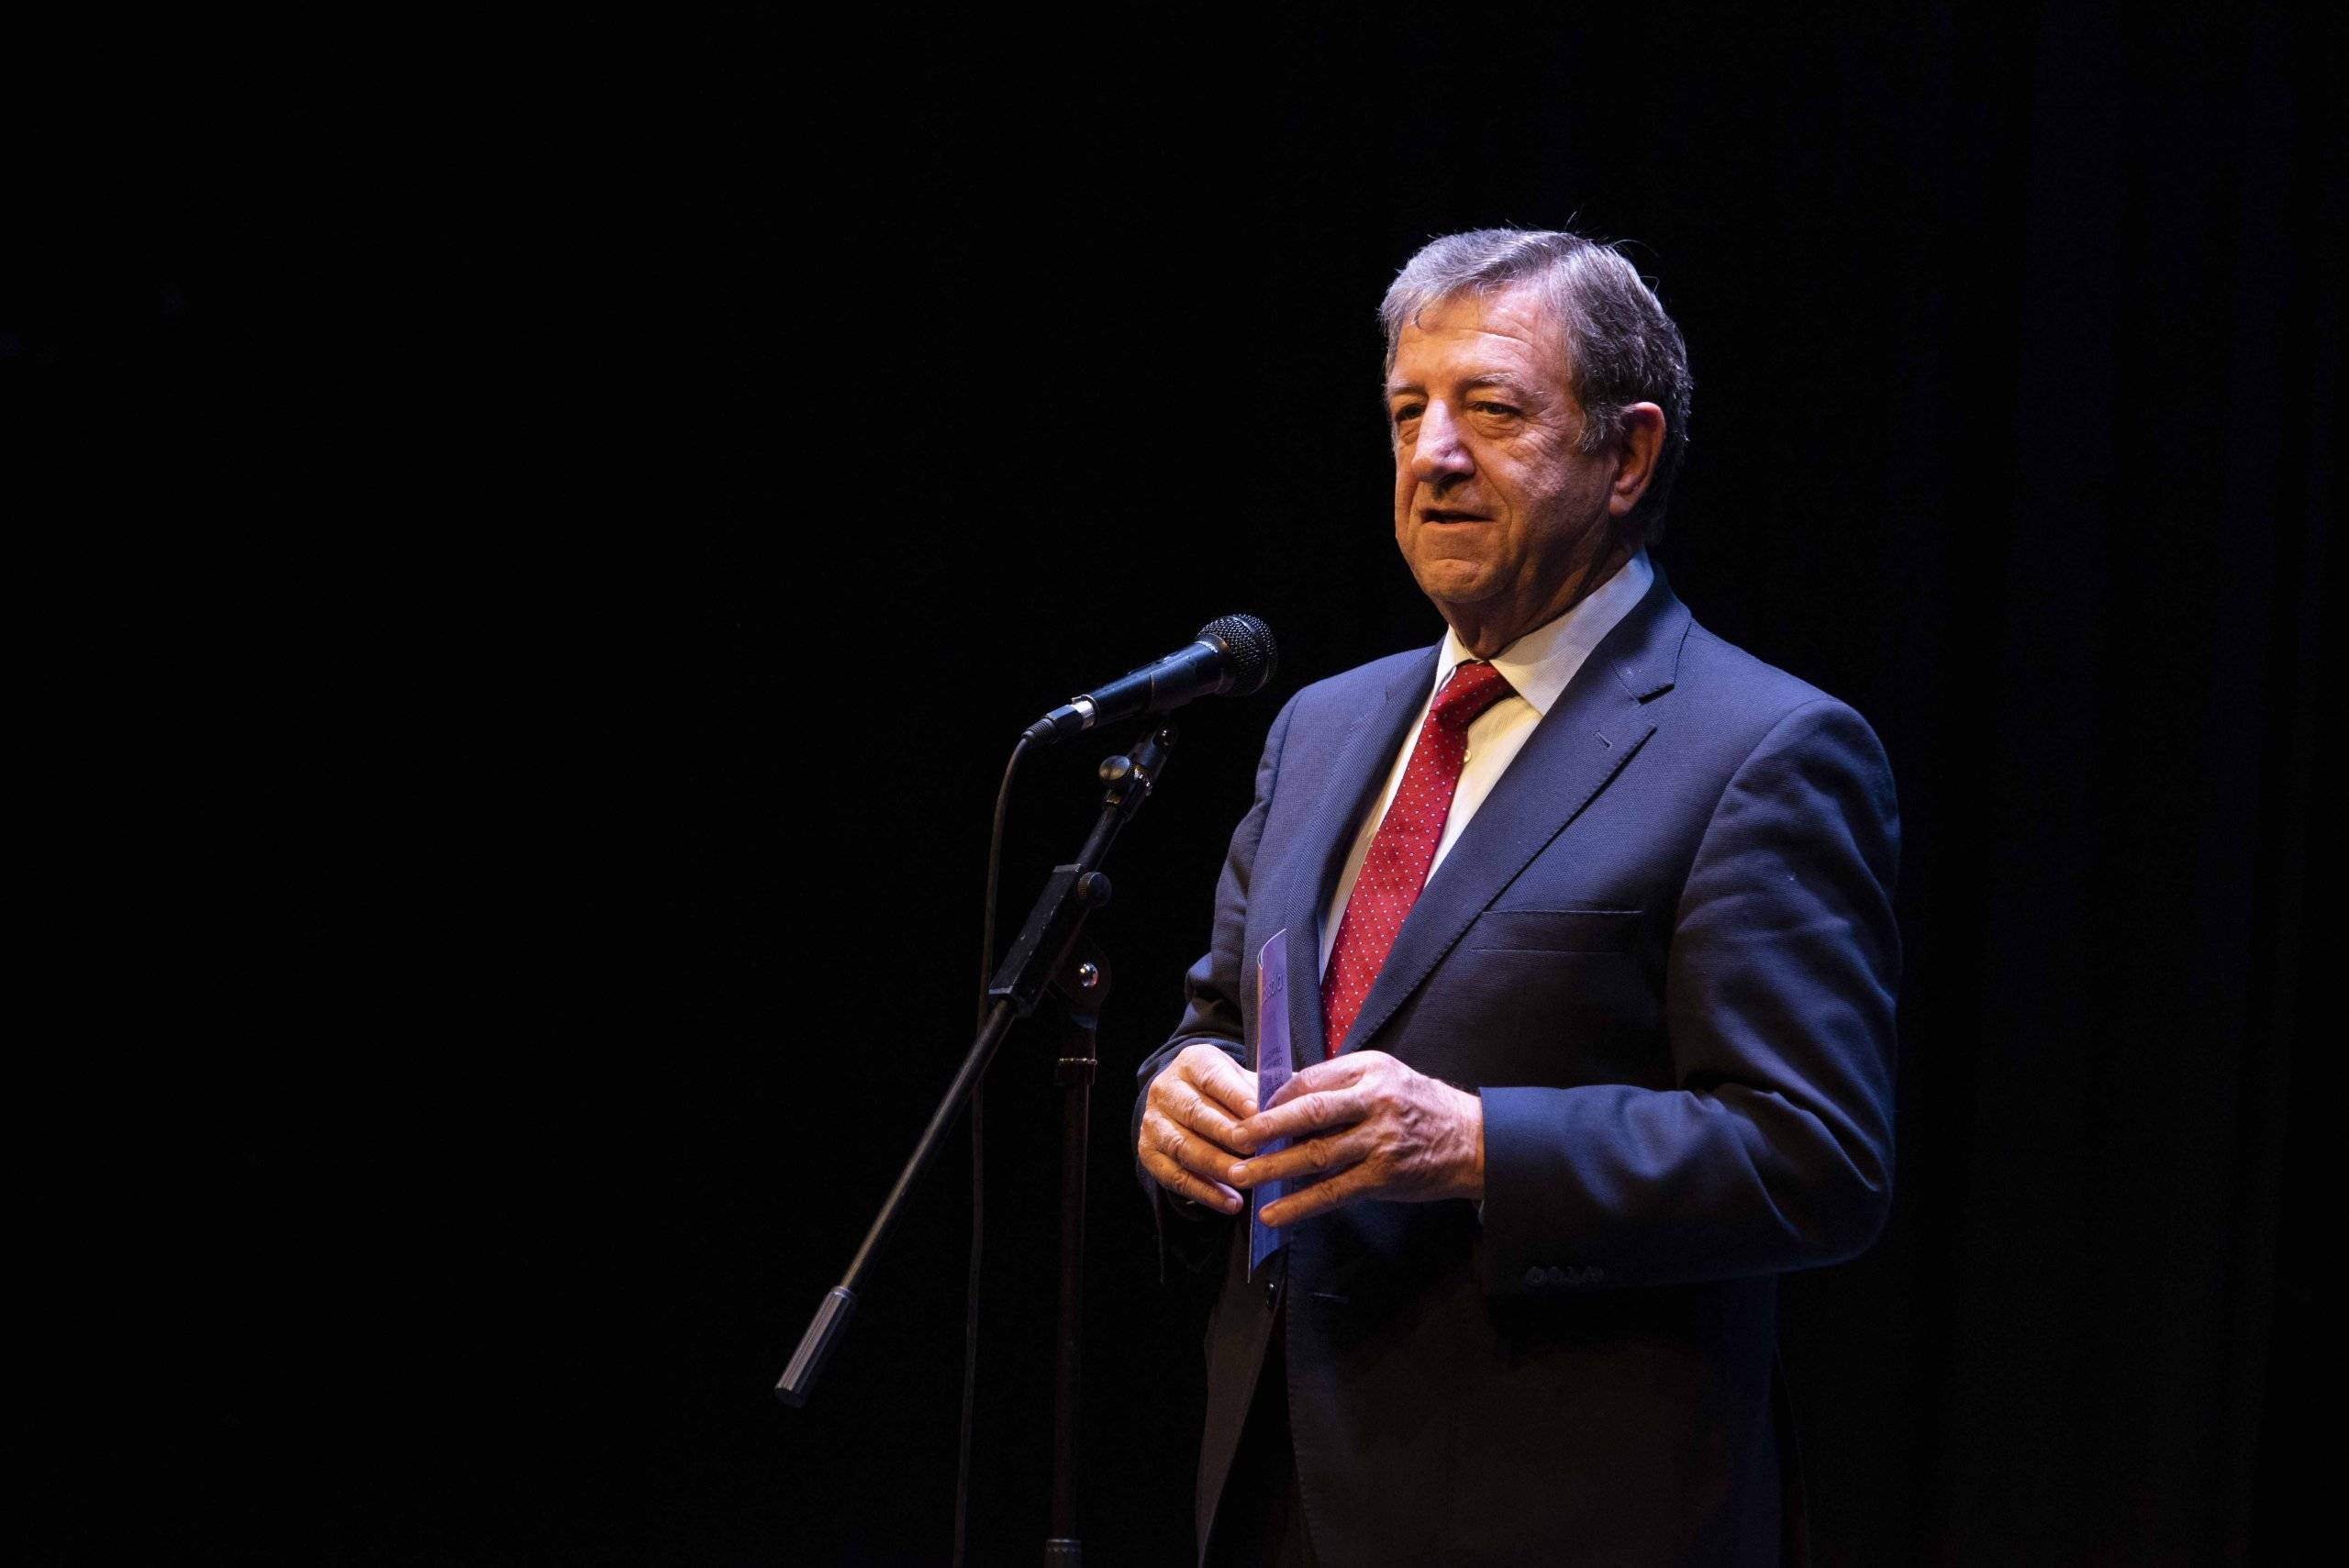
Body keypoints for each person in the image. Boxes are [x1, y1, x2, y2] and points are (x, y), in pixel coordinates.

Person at [1131, 228, 1900, 1567]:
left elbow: (1816, 1157)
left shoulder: (1761, 747)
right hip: (1280, 1487)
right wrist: (1177, 1091)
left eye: (1489, 409)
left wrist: (1480, 1141)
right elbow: (1217, 1016)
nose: (1432, 452)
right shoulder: (1320, 724)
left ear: (1629, 454)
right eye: (1404, 411)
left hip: (1567, 1507)